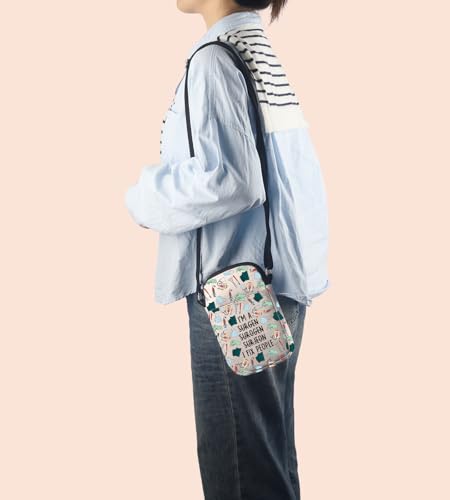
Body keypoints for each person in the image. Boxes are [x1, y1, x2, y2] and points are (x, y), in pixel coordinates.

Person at [125, 1, 329, 498]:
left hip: (232, 295)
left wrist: (144, 197)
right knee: (267, 460)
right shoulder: (257, 52)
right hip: (276, 285)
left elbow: (232, 180)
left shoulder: (216, 58)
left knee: (238, 468)